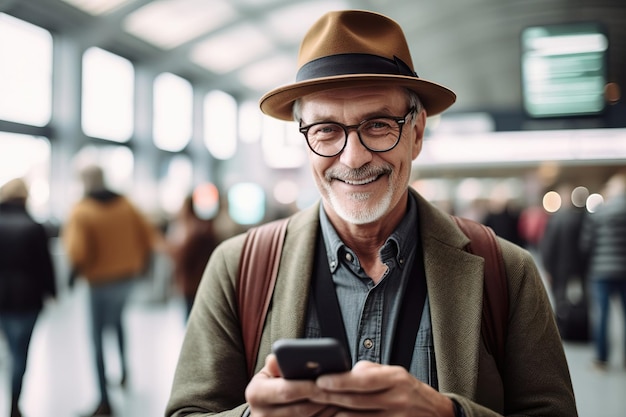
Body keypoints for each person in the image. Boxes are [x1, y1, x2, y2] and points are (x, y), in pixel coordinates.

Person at [166, 10, 577, 417]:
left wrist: (447, 415)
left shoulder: (505, 271)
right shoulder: (240, 268)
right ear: (304, 140)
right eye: (326, 129)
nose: (354, 156)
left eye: (378, 124)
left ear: (416, 134)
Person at [62, 165, 164, 417]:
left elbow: (78, 251)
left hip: (99, 282)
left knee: (96, 337)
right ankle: (125, 373)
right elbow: (148, 235)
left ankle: (104, 400)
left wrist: (73, 274)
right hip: (126, 278)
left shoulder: (82, 210)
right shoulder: (126, 205)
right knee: (118, 323)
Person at [0, 178, 57, 417]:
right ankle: (14, 401)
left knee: (8, 348)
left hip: (1, 297)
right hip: (28, 298)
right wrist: (52, 292)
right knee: (20, 351)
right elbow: (45, 265)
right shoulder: (34, 227)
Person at [579, 171, 626, 370]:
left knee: (603, 315)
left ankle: (602, 359)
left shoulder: (599, 212)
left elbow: (586, 243)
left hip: (601, 271)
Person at [540, 184, 589, 340]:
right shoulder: (581, 218)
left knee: (560, 301)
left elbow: (547, 245)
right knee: (580, 299)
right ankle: (580, 330)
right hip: (578, 268)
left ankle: (562, 329)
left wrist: (547, 268)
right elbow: (585, 245)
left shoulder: (555, 220)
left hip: (558, 268)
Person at [167, 194, 220, 319]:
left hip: (195, 285)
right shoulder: (196, 229)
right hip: (195, 284)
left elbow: (183, 257)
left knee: (193, 321)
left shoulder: (195, 232)